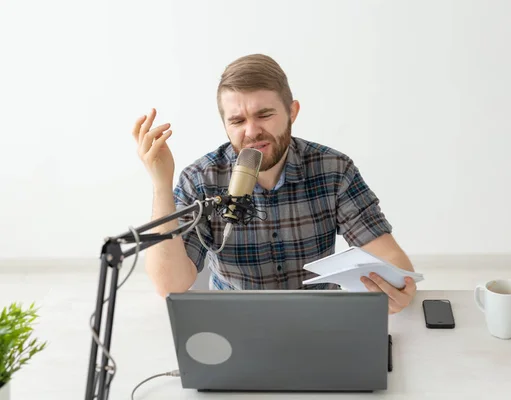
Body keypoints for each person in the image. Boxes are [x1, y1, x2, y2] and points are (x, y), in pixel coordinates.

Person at [131, 54, 416, 314]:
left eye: (264, 115)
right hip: (235, 322)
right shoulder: (201, 179)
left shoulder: (334, 170)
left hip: (318, 320)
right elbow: (170, 285)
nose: (252, 131)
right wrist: (160, 183)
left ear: (292, 112)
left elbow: (387, 254)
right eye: (237, 121)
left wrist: (397, 286)